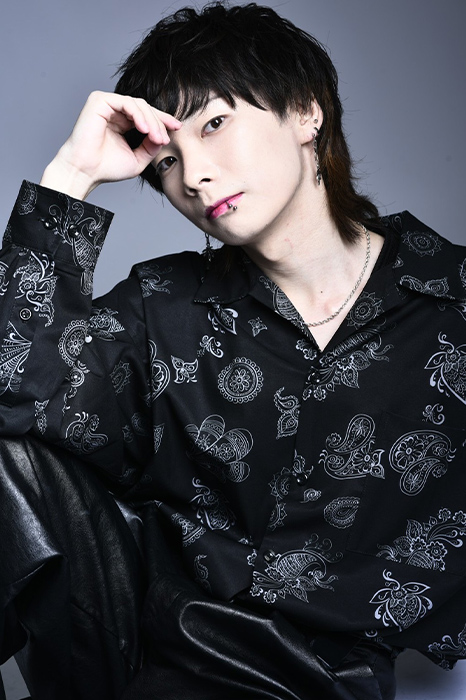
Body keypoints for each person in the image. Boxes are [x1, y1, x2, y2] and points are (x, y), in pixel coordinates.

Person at [1, 2, 466, 699]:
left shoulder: (450, 301)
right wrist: (70, 174)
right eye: (167, 162)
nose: (193, 176)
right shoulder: (163, 305)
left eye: (214, 124)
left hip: (322, 676)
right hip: (144, 642)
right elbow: (10, 393)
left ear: (305, 111)